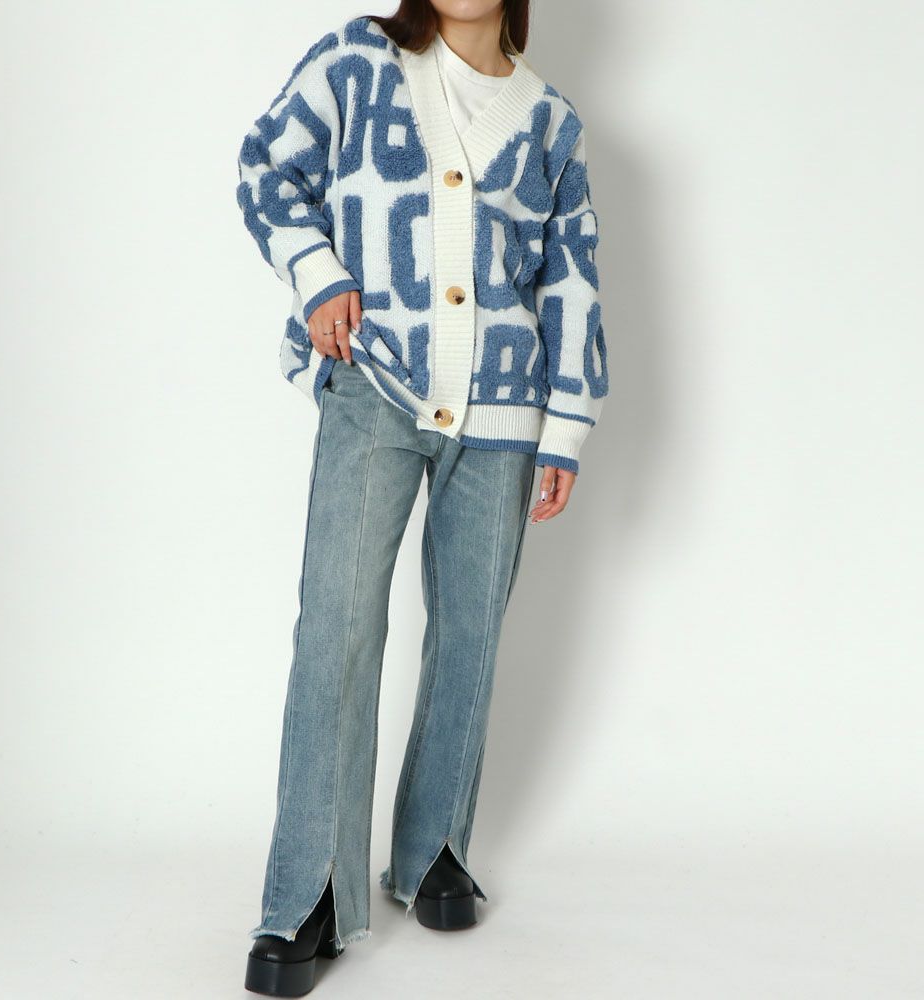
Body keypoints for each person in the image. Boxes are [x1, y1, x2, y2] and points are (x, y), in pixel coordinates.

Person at [234, 1, 607, 994]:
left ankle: (434, 846)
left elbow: (570, 279)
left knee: (470, 632)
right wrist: (317, 274)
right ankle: (309, 888)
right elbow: (266, 164)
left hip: (505, 409)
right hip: (375, 382)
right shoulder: (359, 60)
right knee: (338, 627)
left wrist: (566, 423)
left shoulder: (551, 122)